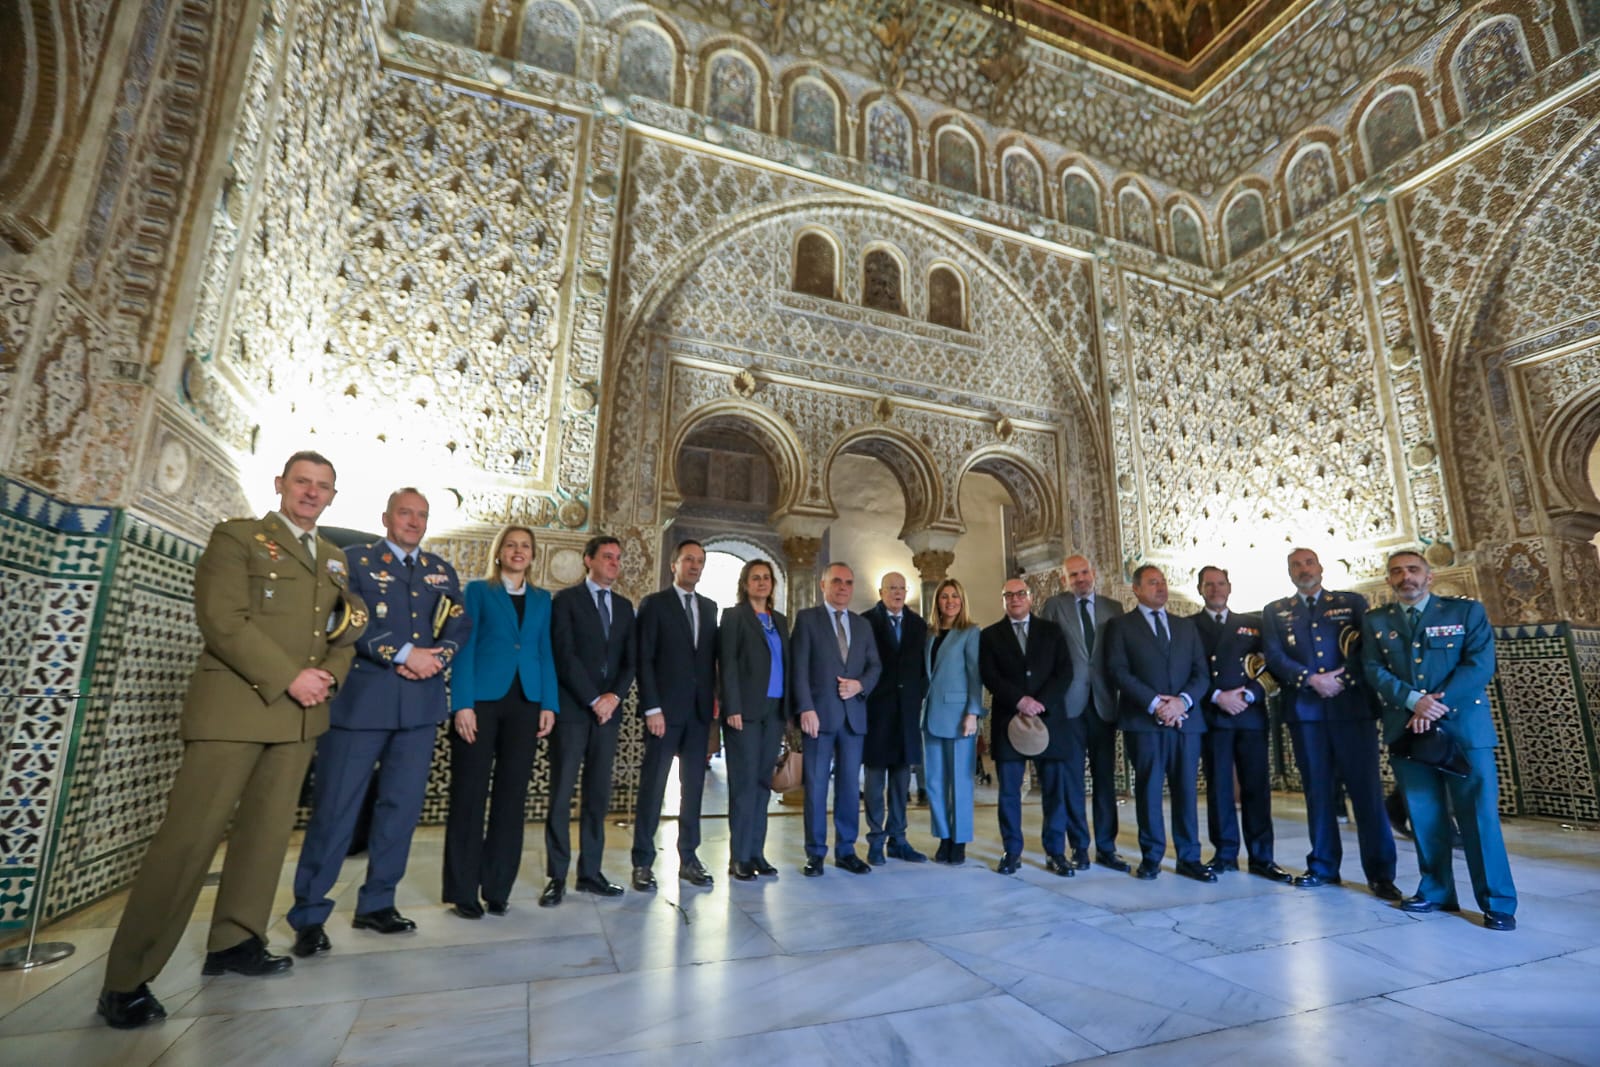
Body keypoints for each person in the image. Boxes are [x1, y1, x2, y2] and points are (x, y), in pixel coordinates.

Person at [97, 452, 366, 1029]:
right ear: (281, 484)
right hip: (236, 710)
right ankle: (126, 979)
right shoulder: (238, 537)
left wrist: (329, 677)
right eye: (302, 482)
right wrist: (289, 676)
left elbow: (345, 632)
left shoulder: (335, 558)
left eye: (323, 486)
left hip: (299, 718)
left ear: (332, 496)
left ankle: (235, 942)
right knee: (187, 843)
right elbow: (222, 619)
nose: (311, 493)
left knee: (265, 838)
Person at [288, 488, 469, 955]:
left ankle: (378, 903)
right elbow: (345, 619)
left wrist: (437, 657)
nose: (414, 521)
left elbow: (458, 624)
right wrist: (406, 653)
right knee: (336, 809)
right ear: (386, 517)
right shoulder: (354, 561)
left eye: (421, 515)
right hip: (362, 705)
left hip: (419, 708)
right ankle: (309, 914)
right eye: (405, 513)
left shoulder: (440, 570)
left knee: (400, 810)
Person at [1362, 550, 1517, 930]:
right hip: (1408, 730)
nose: (1406, 577)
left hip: (1465, 730)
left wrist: (1433, 706)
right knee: (1424, 813)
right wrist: (1413, 701)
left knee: (1478, 815)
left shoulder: (1465, 612)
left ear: (1429, 577)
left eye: (1413, 569)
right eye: (1397, 572)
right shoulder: (1376, 621)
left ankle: (1497, 901)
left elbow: (1479, 664)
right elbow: (1373, 668)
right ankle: (1436, 890)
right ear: (1389, 580)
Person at [1262, 547, 1400, 900]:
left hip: (1352, 708)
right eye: (1296, 565)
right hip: (1306, 712)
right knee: (1318, 791)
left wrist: (1342, 678)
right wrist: (1310, 679)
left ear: (1320, 567)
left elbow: (1368, 648)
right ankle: (1323, 865)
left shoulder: (1350, 603)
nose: (1303, 569)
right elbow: (1274, 655)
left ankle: (1381, 873)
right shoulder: (1276, 610)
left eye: (1309, 562)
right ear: (1289, 572)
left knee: (1367, 792)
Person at [442, 525, 558, 918]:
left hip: (526, 702)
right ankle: (463, 891)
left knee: (512, 798)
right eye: (511, 545)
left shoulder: (542, 599)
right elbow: (465, 648)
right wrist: (462, 704)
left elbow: (544, 651)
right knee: (469, 794)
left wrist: (549, 704)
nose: (518, 551)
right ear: (499, 552)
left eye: (525, 546)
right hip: (481, 702)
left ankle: (497, 888)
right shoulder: (478, 591)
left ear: (533, 555)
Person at [541, 535, 636, 905]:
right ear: (588, 560)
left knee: (597, 795)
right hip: (573, 712)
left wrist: (614, 697)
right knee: (562, 794)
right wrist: (594, 698)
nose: (614, 563)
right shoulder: (566, 601)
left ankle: (590, 873)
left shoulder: (625, 607)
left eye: (618, 557)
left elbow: (630, 660)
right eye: (607, 556)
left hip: (608, 715)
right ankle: (557, 876)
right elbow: (564, 655)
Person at [1104, 565, 1212, 882]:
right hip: (1144, 722)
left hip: (1185, 722)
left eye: (1163, 582)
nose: (1161, 587)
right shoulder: (1120, 626)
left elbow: (1201, 673)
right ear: (1136, 589)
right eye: (1153, 583)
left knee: (1186, 791)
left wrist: (1181, 702)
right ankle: (1152, 856)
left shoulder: (1185, 626)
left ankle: (1189, 857)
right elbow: (1118, 670)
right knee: (1149, 790)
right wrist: (1155, 704)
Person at [1190, 566, 1292, 882]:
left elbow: (1273, 665)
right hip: (1214, 715)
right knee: (1219, 787)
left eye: (1221, 583)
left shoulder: (1254, 625)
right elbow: (1186, 670)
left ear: (1230, 587)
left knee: (1256, 787)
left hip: (1250, 715)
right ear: (1200, 589)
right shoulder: (1188, 626)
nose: (1216, 589)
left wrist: (1249, 694)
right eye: (1209, 584)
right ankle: (1225, 854)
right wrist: (1217, 695)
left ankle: (1262, 857)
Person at [631, 540, 719, 891]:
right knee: (653, 787)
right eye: (688, 560)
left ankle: (689, 858)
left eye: (700, 561)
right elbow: (644, 659)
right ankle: (642, 861)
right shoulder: (654, 604)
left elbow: (709, 662)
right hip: (663, 714)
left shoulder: (710, 608)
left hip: (698, 714)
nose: (695, 566)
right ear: (674, 565)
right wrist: (652, 707)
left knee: (693, 789)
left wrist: (714, 705)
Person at [978, 579, 1075, 877]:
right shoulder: (990, 635)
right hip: (1009, 721)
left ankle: (1056, 852)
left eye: (1021, 593)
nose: (1015, 599)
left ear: (1031, 598)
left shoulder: (1052, 631)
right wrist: (1020, 700)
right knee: (1009, 792)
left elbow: (1065, 672)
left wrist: (1040, 702)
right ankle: (1012, 851)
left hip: (1049, 720)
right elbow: (989, 675)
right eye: (1009, 595)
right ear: (1003, 600)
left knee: (1054, 792)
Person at [792, 562, 883, 876]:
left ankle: (846, 851)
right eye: (837, 581)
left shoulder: (862, 625)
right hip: (818, 717)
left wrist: (860, 685)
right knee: (816, 787)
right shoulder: (807, 620)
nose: (843, 587)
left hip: (853, 717)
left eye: (848, 582)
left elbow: (875, 666)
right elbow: (799, 668)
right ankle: (815, 854)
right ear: (823, 585)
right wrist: (805, 708)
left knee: (848, 788)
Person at [1041, 554, 1128, 871]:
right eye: (1073, 575)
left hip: (1104, 703)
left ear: (1094, 573)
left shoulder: (1113, 608)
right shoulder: (1055, 606)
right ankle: (1079, 846)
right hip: (1069, 705)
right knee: (1072, 780)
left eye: (1084, 572)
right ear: (1064, 580)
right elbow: (1045, 653)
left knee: (1105, 779)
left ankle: (1107, 847)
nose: (1080, 579)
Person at [718, 559, 789, 881]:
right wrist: (731, 706)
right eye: (755, 578)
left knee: (762, 785)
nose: (762, 582)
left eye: (766, 578)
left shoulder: (780, 621)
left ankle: (757, 852)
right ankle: (739, 857)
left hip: (774, 712)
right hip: (743, 713)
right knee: (744, 786)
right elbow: (728, 663)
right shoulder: (734, 617)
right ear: (745, 584)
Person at [862, 572, 930, 865]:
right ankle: (876, 841)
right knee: (875, 783)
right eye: (892, 588)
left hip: (907, 715)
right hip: (877, 714)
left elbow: (923, 669)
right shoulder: (866, 622)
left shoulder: (918, 624)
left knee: (901, 783)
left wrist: (917, 695)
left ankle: (898, 840)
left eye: (902, 588)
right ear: (881, 592)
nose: (898, 593)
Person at [922, 578, 985, 865]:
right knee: (934, 782)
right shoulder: (930, 634)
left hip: (960, 717)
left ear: (962, 601)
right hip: (930, 716)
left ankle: (959, 840)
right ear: (937, 601)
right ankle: (944, 836)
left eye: (955, 596)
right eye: (944, 596)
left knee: (960, 781)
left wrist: (973, 712)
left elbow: (975, 675)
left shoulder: (970, 632)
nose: (950, 601)